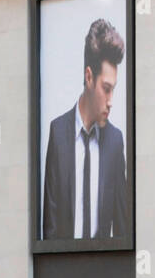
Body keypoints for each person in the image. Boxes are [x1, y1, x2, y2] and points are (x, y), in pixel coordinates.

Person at [42, 17, 128, 241]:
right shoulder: (58, 133)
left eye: (113, 90)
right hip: (64, 269)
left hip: (103, 270)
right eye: (106, 89)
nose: (111, 101)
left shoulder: (115, 141)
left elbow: (123, 227)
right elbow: (49, 226)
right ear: (89, 77)